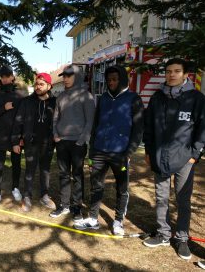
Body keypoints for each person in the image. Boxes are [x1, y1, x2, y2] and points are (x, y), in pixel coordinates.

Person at [142, 58, 205, 260]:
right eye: (168, 71)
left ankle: (181, 238)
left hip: (184, 158)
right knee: (161, 198)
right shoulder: (157, 98)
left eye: (177, 71)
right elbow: (149, 126)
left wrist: (195, 155)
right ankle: (163, 233)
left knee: (182, 200)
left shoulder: (196, 98)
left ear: (186, 74)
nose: (171, 75)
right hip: (160, 157)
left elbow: (202, 129)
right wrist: (149, 151)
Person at [74, 65, 144, 235]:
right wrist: (92, 148)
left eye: (114, 79)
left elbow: (138, 129)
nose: (111, 82)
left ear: (122, 79)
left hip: (120, 153)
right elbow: (96, 123)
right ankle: (93, 218)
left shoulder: (133, 98)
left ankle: (118, 221)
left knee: (122, 188)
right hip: (99, 151)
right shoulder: (104, 98)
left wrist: (129, 152)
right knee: (96, 186)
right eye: (108, 80)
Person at [50, 65, 95, 221]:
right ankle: (64, 205)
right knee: (63, 175)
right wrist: (56, 135)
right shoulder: (61, 96)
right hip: (61, 142)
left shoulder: (86, 96)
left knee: (77, 175)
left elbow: (90, 121)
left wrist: (81, 140)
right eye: (64, 76)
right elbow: (55, 118)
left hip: (77, 143)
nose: (65, 78)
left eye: (69, 76)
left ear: (76, 76)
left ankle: (77, 207)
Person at [11, 73, 56, 212]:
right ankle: (27, 196)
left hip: (48, 143)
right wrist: (15, 141)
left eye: (41, 84)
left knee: (45, 170)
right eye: (36, 84)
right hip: (31, 142)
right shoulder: (27, 101)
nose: (38, 87)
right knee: (30, 170)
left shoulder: (55, 102)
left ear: (49, 86)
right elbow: (18, 122)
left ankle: (44, 195)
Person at [0, 65, 26, 206]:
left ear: (12, 77)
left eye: (7, 76)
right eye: (2, 76)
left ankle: (15, 188)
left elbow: (24, 118)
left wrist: (21, 137)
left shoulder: (21, 95)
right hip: (0, 135)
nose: (5, 79)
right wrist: (4, 108)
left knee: (16, 163)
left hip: (15, 136)